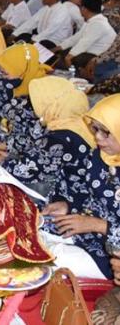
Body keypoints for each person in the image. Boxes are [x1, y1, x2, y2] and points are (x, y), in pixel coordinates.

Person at [40, 94, 120, 280]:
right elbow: (89, 195)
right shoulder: (100, 157)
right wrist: (69, 205)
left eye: (106, 132)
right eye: (95, 129)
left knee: (49, 261)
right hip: (87, 231)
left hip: (111, 255)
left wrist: (98, 225)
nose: (98, 137)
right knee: (32, 234)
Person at [4, 77, 94, 205]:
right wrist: (6, 150)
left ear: (53, 104)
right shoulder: (72, 122)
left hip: (67, 200)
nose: (33, 105)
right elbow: (35, 148)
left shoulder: (61, 138)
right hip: (74, 193)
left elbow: (26, 170)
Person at [0, 43, 49, 163]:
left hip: (20, 159)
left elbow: (35, 139)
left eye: (5, 73)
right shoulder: (12, 86)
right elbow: (1, 114)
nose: (1, 76)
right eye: (0, 71)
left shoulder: (41, 97)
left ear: (22, 71)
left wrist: (2, 149)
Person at [56, 0, 116, 71]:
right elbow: (77, 37)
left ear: (84, 9)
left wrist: (69, 57)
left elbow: (85, 42)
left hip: (99, 56)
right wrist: (58, 48)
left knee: (72, 58)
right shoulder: (92, 20)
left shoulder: (98, 23)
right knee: (63, 52)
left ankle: (72, 74)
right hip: (90, 51)